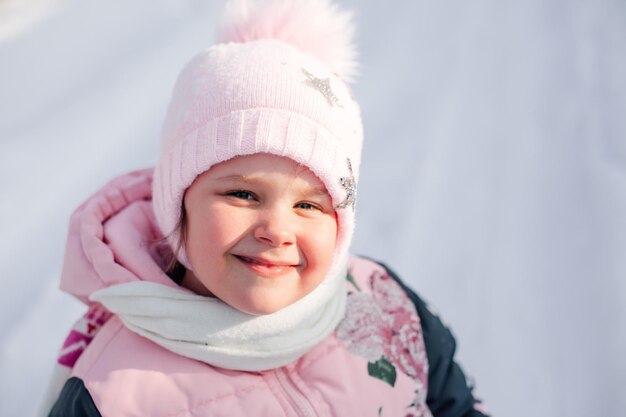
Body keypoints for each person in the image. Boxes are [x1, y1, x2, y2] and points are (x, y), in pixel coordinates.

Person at [44, 0, 489, 416]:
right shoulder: (113, 392)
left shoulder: (385, 304)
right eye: (243, 195)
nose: (277, 230)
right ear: (177, 201)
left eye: (308, 205)